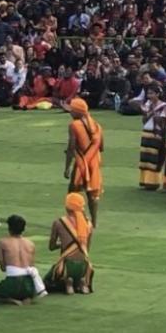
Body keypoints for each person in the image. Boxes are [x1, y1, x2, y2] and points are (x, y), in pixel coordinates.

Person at [0, 215, 47, 305]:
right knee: (27, 290)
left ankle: (9, 300)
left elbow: (3, 268)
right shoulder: (31, 244)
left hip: (12, 282)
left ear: (9, 228)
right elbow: (32, 266)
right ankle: (27, 297)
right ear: (23, 229)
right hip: (29, 284)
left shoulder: (2, 242)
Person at [44, 193, 94, 295]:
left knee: (47, 282)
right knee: (80, 262)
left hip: (67, 266)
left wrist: (62, 244)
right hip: (84, 266)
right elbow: (86, 249)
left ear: (67, 207)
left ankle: (68, 281)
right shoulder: (88, 224)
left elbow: (51, 247)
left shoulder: (59, 222)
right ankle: (81, 281)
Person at [64, 98, 103, 226]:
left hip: (81, 162)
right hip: (95, 162)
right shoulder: (97, 125)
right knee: (92, 193)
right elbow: (101, 147)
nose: (70, 112)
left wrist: (67, 167)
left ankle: (75, 220)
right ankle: (94, 222)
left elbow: (71, 147)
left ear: (77, 112)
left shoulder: (74, 125)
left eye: (72, 110)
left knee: (73, 193)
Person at [138, 85, 166, 190]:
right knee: (145, 157)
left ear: (158, 94)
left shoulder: (164, 106)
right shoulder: (148, 104)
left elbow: (163, 120)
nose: (149, 96)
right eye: (148, 93)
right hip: (147, 131)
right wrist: (148, 113)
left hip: (156, 133)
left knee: (154, 157)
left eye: (152, 93)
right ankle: (144, 180)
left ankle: (153, 181)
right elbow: (144, 119)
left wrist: (152, 113)